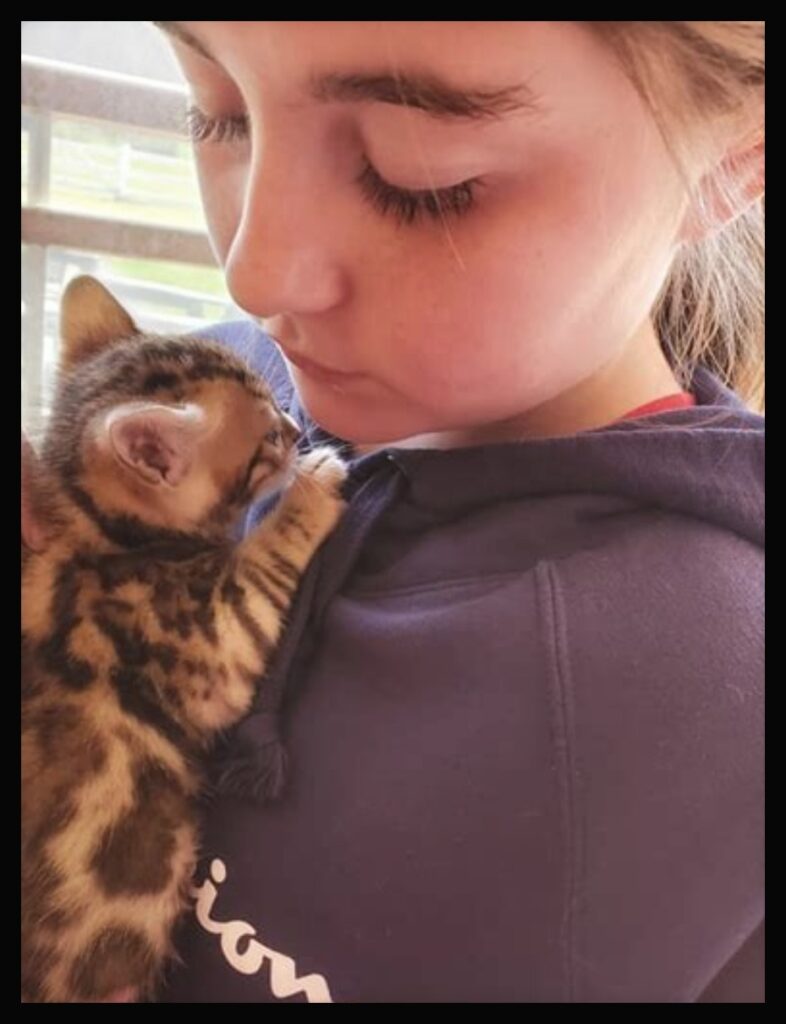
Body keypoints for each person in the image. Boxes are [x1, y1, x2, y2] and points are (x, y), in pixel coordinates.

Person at [93, 21, 774, 1002]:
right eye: (219, 110)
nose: (256, 270)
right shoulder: (205, 395)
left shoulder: (711, 709)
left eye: (417, 175)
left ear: (738, 158)